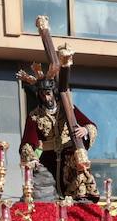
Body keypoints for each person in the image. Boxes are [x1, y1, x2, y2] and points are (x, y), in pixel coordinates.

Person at [20, 74, 99, 202]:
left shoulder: (68, 109)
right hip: (47, 157)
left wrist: (85, 130)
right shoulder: (34, 116)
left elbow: (90, 125)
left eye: (48, 93)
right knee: (43, 187)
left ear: (53, 92)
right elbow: (27, 142)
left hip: (68, 155)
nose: (46, 97)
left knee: (78, 176)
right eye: (42, 94)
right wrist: (32, 158)